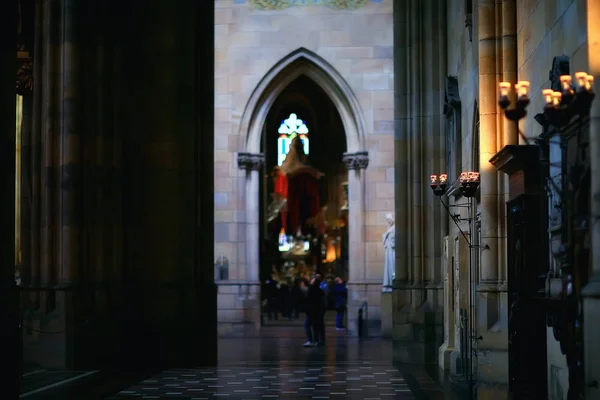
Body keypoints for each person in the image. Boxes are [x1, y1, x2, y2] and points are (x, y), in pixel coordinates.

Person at [303, 276, 326, 347]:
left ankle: (310, 340)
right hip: (318, 311)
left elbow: (307, 300)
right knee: (316, 326)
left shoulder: (311, 290)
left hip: (311, 311)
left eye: (312, 281)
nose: (311, 281)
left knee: (307, 325)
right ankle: (316, 340)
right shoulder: (320, 291)